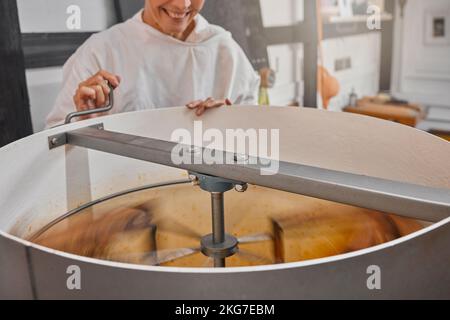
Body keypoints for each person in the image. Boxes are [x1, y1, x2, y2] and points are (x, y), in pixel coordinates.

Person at [46, 0, 260, 127]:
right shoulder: (100, 51)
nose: (182, 4)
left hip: (209, 198)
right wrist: (83, 122)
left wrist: (230, 124)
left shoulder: (224, 49)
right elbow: (54, 144)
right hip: (127, 197)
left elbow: (253, 139)